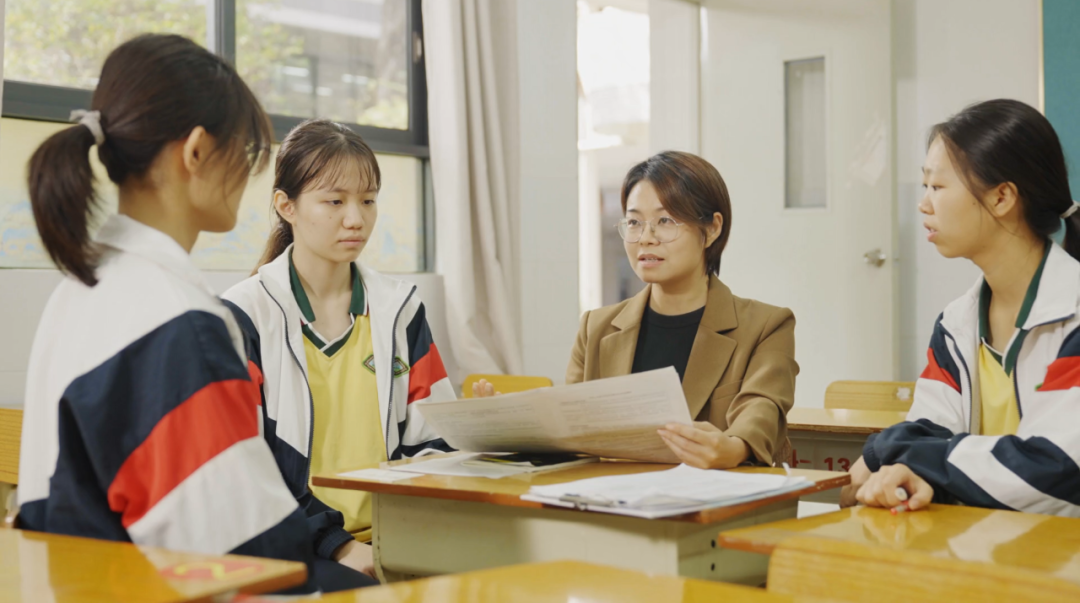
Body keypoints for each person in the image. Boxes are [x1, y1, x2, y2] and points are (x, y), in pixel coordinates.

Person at [16, 34, 372, 592]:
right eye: (250, 153)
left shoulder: (79, 290)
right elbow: (245, 553)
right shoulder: (177, 321)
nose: (252, 173)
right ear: (198, 151)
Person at [223, 119, 455, 577]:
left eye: (368, 201)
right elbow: (246, 470)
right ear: (285, 206)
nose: (356, 219)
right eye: (334, 201)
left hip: (398, 535)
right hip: (294, 544)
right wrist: (339, 546)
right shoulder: (244, 316)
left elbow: (435, 443)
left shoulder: (401, 309)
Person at [843, 99, 1080, 516]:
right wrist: (912, 466)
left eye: (937, 186)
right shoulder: (957, 323)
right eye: (924, 187)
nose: (924, 204)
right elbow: (926, 431)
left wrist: (898, 453)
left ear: (1002, 196)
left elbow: (1055, 468)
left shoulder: (1073, 311)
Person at [565, 151, 799, 468]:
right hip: (613, 501)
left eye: (666, 221)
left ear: (713, 228)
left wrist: (734, 446)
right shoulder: (596, 327)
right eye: (634, 222)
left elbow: (763, 407)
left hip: (715, 502)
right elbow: (569, 426)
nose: (646, 238)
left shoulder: (766, 325)